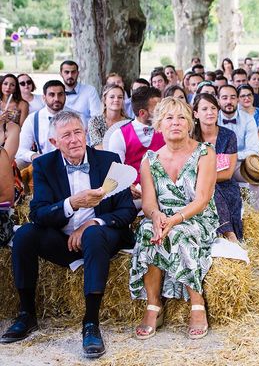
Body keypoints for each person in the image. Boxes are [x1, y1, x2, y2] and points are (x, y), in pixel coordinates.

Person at [0, 111, 137, 358]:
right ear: (54, 143)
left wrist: (93, 222)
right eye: (66, 135)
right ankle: (26, 314)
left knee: (93, 235)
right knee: (24, 235)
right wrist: (71, 204)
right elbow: (38, 213)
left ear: (85, 134)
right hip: (62, 239)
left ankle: (91, 323)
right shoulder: (43, 165)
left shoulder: (108, 160)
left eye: (78, 132)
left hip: (101, 236)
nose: (74, 139)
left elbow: (126, 210)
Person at [129, 97, 217, 340]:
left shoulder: (205, 152)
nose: (175, 123)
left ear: (190, 123)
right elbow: (148, 203)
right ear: (159, 125)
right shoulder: (150, 160)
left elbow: (202, 199)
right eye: (169, 118)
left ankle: (197, 303)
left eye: (181, 118)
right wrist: (157, 216)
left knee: (178, 233)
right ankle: (153, 304)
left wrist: (174, 220)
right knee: (147, 230)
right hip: (164, 217)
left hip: (197, 217)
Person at [193, 93, 242, 241]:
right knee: (209, 191)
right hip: (195, 185)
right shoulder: (190, 138)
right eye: (205, 108)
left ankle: (228, 233)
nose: (210, 112)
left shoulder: (228, 135)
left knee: (215, 191)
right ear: (196, 113)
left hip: (224, 183)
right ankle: (229, 234)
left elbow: (227, 173)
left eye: (214, 108)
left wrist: (205, 179)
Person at [107, 87, 164, 203]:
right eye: (158, 110)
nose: (162, 113)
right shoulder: (119, 135)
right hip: (133, 196)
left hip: (163, 192)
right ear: (142, 113)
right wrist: (127, 187)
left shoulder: (166, 131)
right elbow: (115, 173)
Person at [217, 85, 259, 213]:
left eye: (232, 97)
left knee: (257, 174)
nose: (229, 101)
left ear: (237, 100)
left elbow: (253, 149)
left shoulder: (248, 119)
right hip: (216, 164)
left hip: (241, 164)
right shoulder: (213, 118)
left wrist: (233, 156)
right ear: (218, 100)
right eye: (224, 98)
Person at [16, 80, 67, 167]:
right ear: (44, 97)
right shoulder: (33, 119)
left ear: (65, 96)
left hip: (70, 163)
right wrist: (34, 156)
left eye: (60, 94)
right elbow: (20, 150)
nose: (57, 99)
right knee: (17, 164)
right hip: (43, 163)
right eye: (52, 95)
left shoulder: (77, 117)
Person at [59, 60, 102, 127]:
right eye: (66, 72)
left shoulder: (90, 90)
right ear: (61, 74)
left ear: (78, 73)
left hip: (85, 132)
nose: (70, 75)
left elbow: (97, 116)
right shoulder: (56, 93)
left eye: (73, 72)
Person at [87, 84, 130, 149]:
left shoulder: (129, 123)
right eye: (112, 97)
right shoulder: (95, 121)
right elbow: (98, 147)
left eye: (120, 97)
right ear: (104, 100)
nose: (116, 100)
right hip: (101, 157)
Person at [238, 85, 259, 163]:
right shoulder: (235, 114)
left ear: (253, 96)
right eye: (243, 96)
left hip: (257, 147)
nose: (247, 98)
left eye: (249, 95)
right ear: (237, 99)